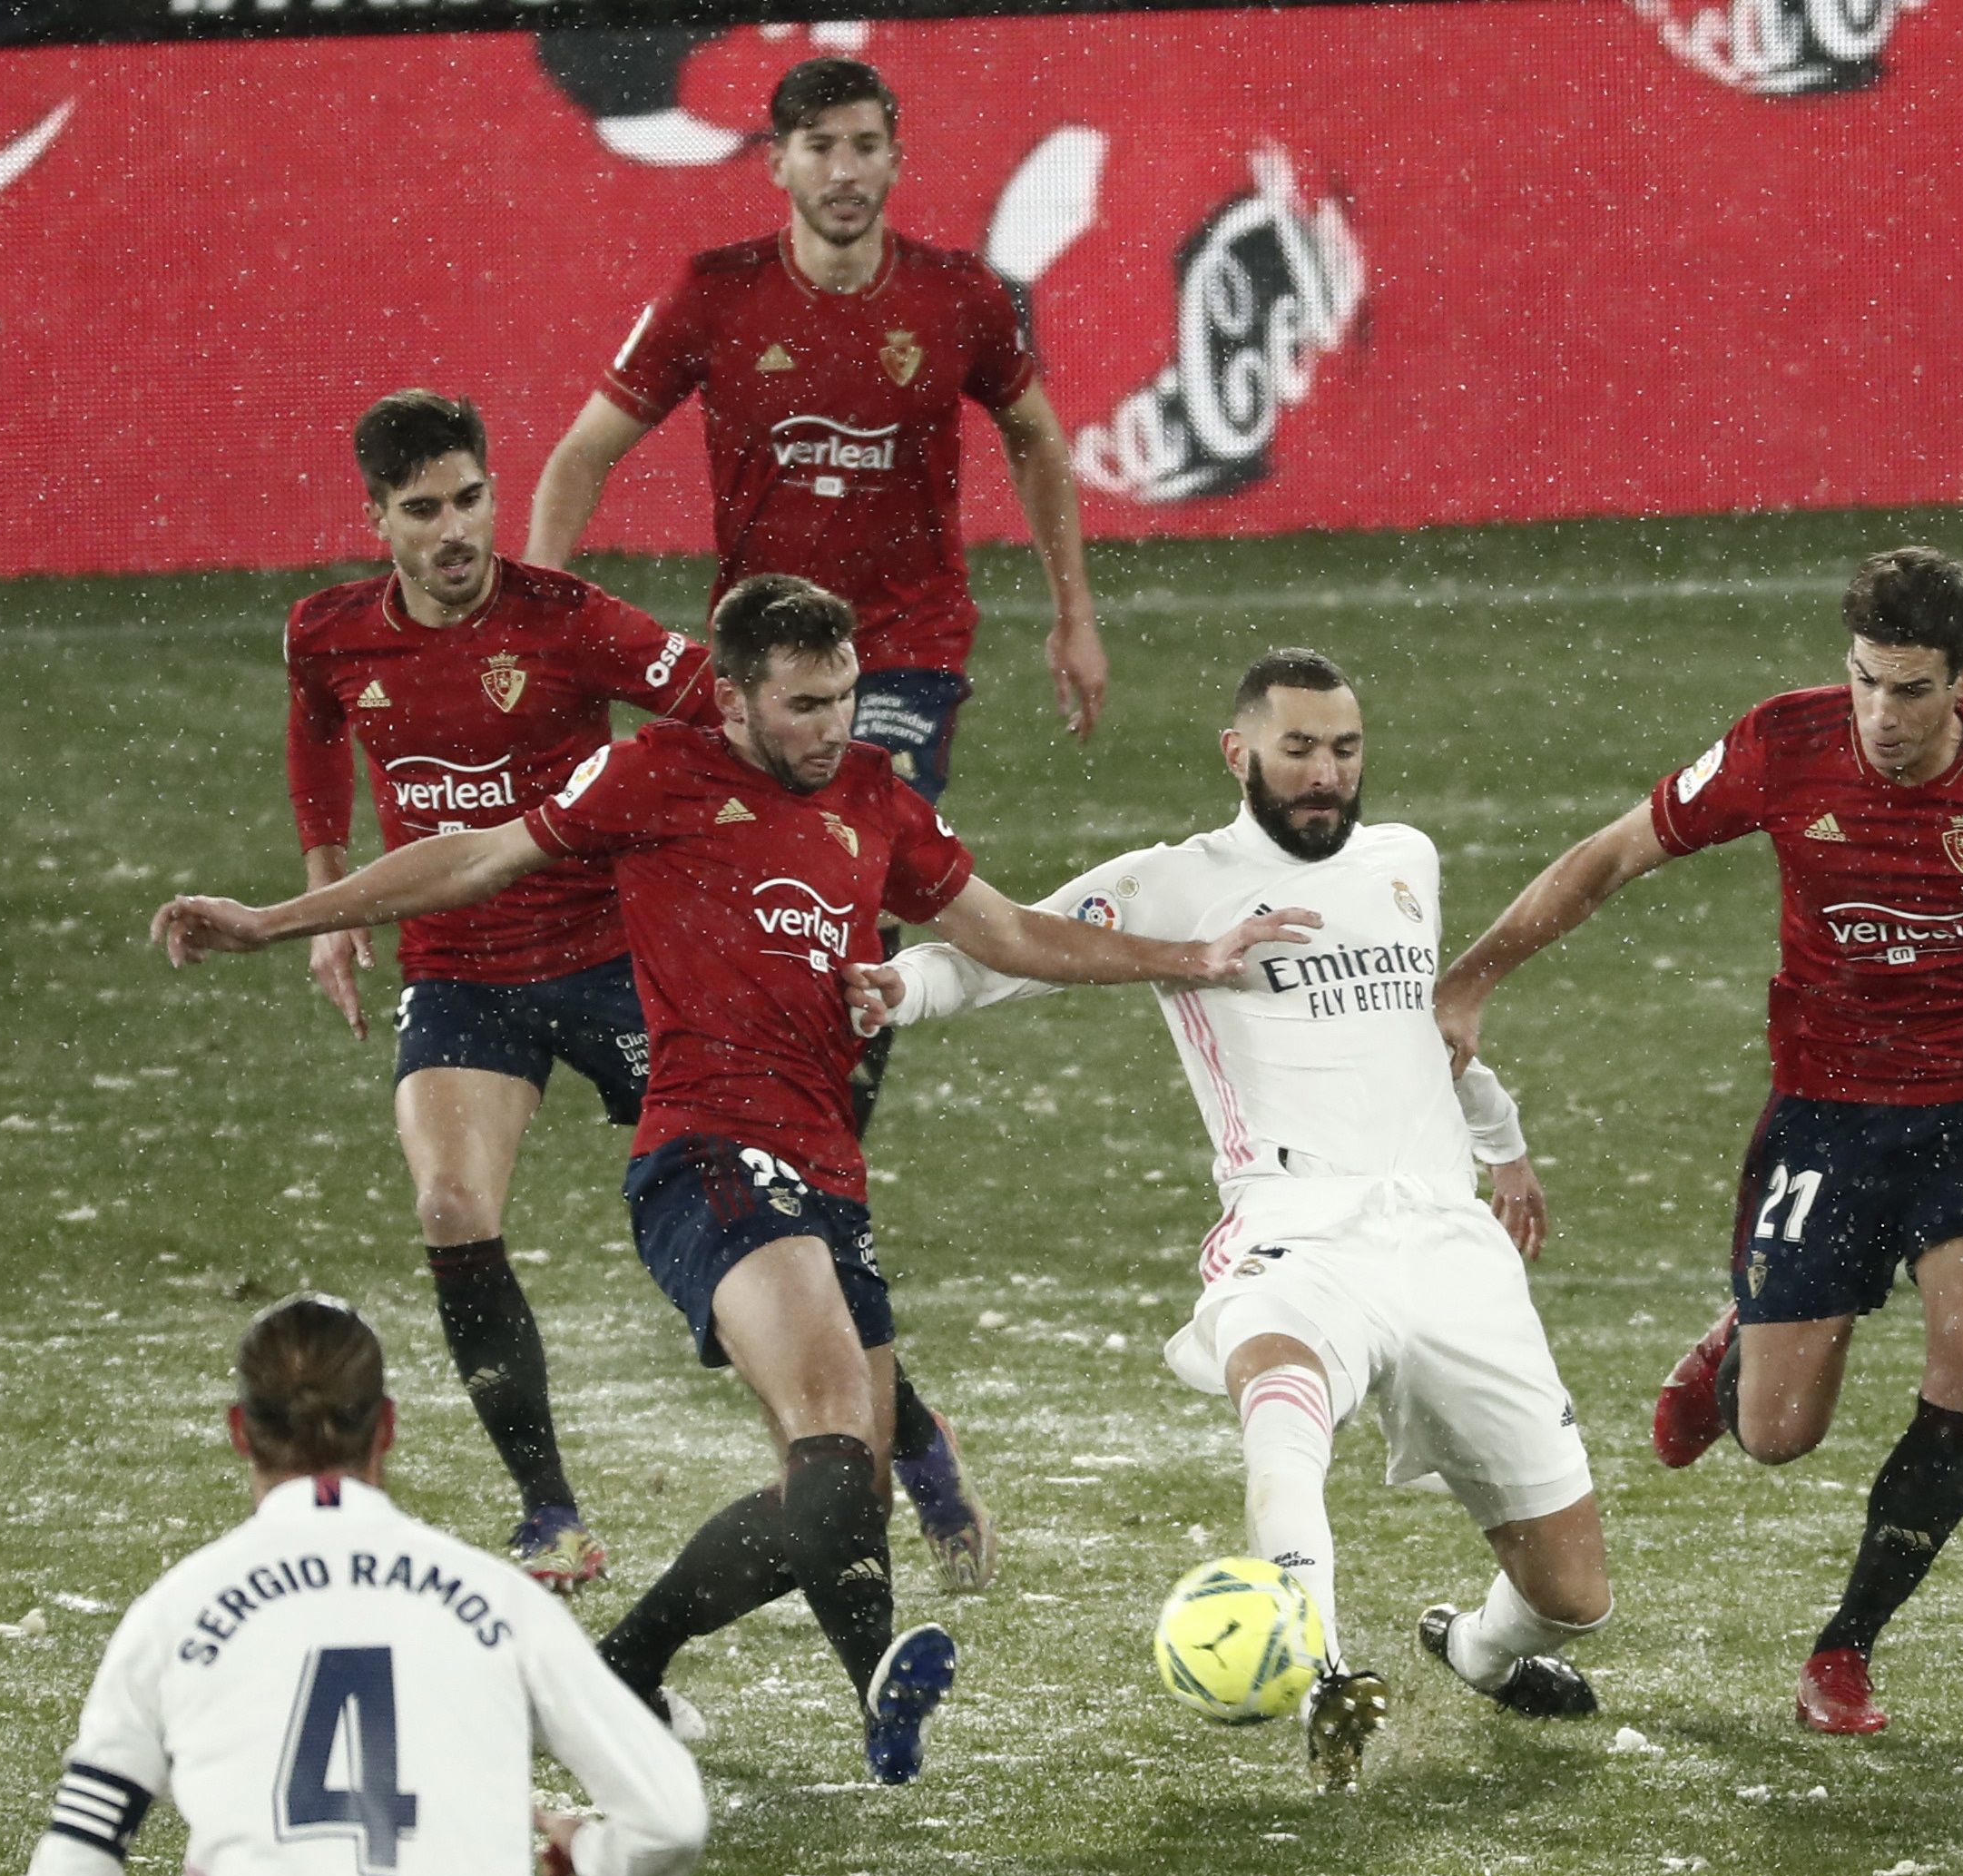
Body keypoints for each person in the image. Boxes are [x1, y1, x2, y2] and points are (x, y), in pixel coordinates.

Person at [153, 575, 1305, 1787]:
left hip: (826, 1167)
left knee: (838, 1486)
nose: (832, 726)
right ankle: (875, 1685)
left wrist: (1188, 956)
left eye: (846, 696)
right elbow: (476, 855)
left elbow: (1006, 930)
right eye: (804, 704)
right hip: (703, 1151)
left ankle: (616, 1670)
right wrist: (279, 919)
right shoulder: (656, 773)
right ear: (738, 698)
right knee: (823, 1428)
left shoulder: (874, 798)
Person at [1436, 549, 1963, 1736]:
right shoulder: (1779, 746)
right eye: (1863, 683)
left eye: (1909, 692)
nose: (1880, 718)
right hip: (1829, 1109)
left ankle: (1842, 1649)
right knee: (1775, 1434)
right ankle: (1743, 1333)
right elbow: (1609, 853)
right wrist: (1472, 978)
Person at [878, 650, 1612, 1792]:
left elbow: (1421, 1029)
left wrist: (1502, 1144)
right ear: (1241, 755)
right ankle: (1317, 1666)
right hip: (1293, 1234)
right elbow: (1000, 948)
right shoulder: (1180, 883)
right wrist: (899, 990)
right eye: (1300, 751)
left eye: (1345, 749)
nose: (1326, 775)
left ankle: (1475, 1650)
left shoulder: (1406, 861)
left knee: (1573, 1599)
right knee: (1280, 1401)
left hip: (1447, 1243)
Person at [525, 52, 1103, 1128]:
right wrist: (551, 617)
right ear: (777, 164)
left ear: (895, 159)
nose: (845, 170)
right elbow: (578, 457)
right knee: (756, 878)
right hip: (761, 651)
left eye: (865, 146)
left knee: (860, 858)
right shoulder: (716, 295)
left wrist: (1074, 615)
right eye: (821, 147)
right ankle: (738, 1092)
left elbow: (1038, 442)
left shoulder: (957, 297)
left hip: (904, 647)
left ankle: (827, 1130)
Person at [285, 388, 716, 1594]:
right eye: (423, 510)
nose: (457, 530)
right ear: (378, 520)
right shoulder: (327, 636)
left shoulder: (570, 620)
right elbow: (315, 730)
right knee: (448, 1207)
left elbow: (719, 711)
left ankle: (888, 1440)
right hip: (461, 975)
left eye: (471, 498)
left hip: (612, 960)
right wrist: (327, 891)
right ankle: (550, 1516)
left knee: (753, 1183)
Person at [21, 1292, 706, 1876]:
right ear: (386, 1426)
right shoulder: (501, 1604)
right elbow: (669, 1820)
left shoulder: (175, 1611)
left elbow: (76, 1861)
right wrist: (592, 1854)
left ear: (239, 1430)